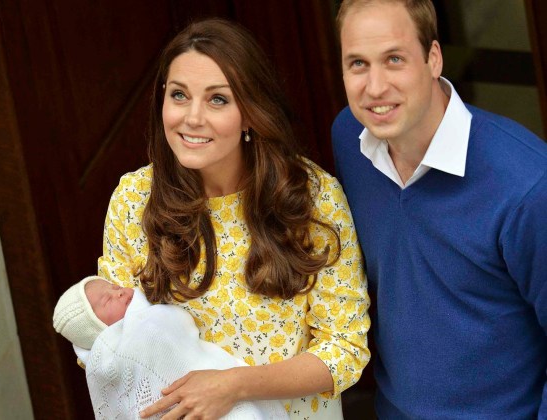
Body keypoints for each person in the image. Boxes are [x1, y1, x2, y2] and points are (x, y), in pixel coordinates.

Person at [95, 18, 370, 420]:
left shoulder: (311, 197)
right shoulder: (135, 200)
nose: (192, 118)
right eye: (179, 95)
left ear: (250, 114)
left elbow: (344, 351)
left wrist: (232, 385)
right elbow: (107, 343)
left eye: (217, 99)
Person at [332, 0, 547, 418]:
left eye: (394, 59)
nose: (375, 88)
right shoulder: (349, 137)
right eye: (358, 64)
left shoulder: (527, 185)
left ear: (433, 58)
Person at [52, 276, 289, 419]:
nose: (120, 292)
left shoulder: (145, 319)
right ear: (97, 328)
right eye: (107, 300)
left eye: (114, 287)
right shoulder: (122, 350)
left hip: (222, 396)